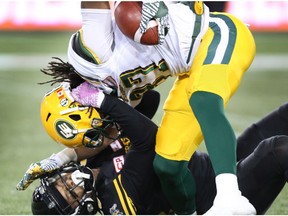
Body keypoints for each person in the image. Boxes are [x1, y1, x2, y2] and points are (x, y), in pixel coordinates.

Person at [40, 1, 256, 214]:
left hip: (213, 33)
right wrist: (63, 157)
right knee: (168, 165)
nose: (98, 132)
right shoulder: (103, 95)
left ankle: (230, 198)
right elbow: (120, 127)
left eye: (91, 131)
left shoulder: (93, 55)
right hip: (189, 69)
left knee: (204, 101)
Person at [17, 83, 288, 215]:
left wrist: (68, 152)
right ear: (80, 209)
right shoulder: (115, 198)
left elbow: (148, 101)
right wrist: (102, 100)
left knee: (281, 118)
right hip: (215, 203)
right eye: (67, 192)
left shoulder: (96, 164)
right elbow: (148, 137)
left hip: (214, 170)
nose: (67, 181)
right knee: (276, 151)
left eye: (58, 181)